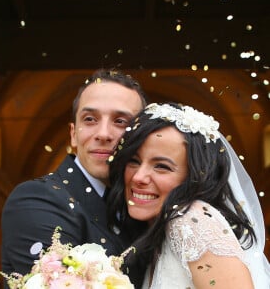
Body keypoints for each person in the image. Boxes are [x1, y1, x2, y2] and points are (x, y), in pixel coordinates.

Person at [1, 69, 148, 288]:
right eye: (90, 119)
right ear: (73, 134)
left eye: (120, 121)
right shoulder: (36, 199)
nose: (104, 133)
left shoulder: (144, 206)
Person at [107, 102, 270, 288]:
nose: (138, 177)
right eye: (134, 161)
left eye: (161, 166)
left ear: (194, 178)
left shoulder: (192, 219)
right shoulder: (162, 231)